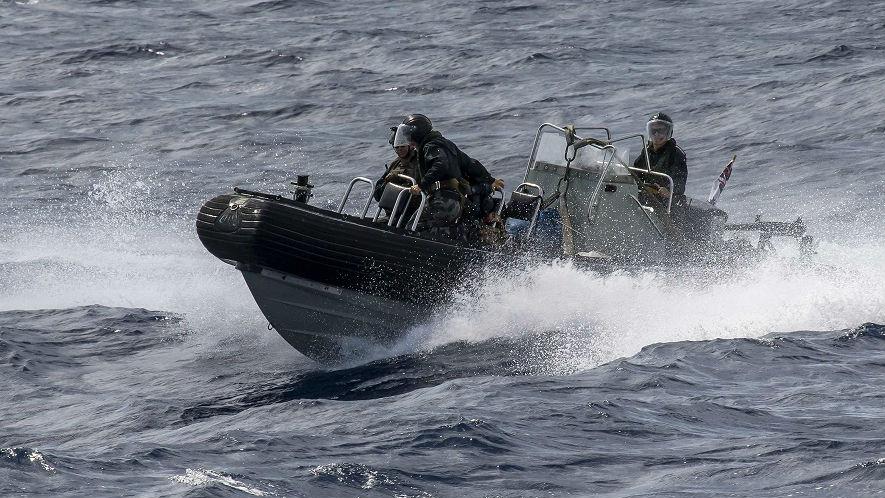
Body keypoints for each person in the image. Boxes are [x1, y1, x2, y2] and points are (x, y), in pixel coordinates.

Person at [401, 114, 504, 233]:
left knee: (413, 227)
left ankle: (466, 234)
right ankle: (466, 234)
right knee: (422, 226)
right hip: (454, 199)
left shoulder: (431, 146)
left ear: (417, 134)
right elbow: (471, 163)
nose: (409, 141)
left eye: (409, 136)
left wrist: (421, 185)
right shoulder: (445, 143)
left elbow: (440, 165)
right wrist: (490, 180)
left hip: (443, 200)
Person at [632, 112, 687, 203]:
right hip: (648, 196)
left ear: (669, 132)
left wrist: (669, 190)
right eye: (653, 131)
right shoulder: (646, 152)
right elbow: (636, 173)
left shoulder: (676, 153)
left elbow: (680, 181)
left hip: (669, 202)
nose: (657, 134)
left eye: (661, 131)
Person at [373, 123, 420, 203]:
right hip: (394, 208)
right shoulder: (396, 163)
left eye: (402, 147)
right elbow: (378, 193)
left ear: (410, 146)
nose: (400, 150)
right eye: (397, 147)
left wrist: (397, 178)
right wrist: (387, 182)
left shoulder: (418, 161)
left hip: (411, 207)